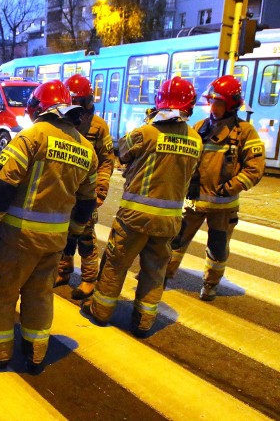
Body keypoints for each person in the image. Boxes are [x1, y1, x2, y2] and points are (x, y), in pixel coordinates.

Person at [0, 80, 98, 373]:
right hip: (54, 242)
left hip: (18, 240)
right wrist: (72, 236)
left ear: (38, 109)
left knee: (0, 292)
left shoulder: (30, 138)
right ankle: (36, 352)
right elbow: (86, 202)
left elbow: (1, 189)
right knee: (40, 294)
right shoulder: (86, 148)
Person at [81, 76, 202, 337]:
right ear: (188, 107)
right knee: (155, 271)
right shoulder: (196, 140)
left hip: (134, 218)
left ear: (160, 103)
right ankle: (144, 322)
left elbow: (121, 152)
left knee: (116, 264)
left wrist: (148, 123)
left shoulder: (145, 132)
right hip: (169, 221)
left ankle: (100, 311)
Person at [165, 75, 265, 301]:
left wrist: (230, 187)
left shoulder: (245, 132)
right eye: (211, 102)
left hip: (223, 208)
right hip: (193, 204)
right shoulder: (200, 127)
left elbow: (255, 168)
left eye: (218, 102)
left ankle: (210, 284)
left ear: (231, 104)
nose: (213, 107)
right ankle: (162, 275)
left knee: (217, 250)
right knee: (175, 243)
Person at [55, 74, 115, 300]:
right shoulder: (62, 121)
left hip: (86, 193)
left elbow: (107, 161)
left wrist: (99, 191)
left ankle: (89, 279)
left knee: (86, 237)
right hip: (65, 191)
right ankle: (63, 271)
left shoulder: (98, 127)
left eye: (80, 103)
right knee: (63, 235)